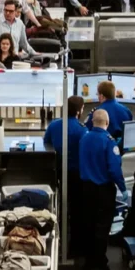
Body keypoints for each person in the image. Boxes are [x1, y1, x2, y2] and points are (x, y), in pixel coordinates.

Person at [80, 109, 124, 270]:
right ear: (107, 123)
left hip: (86, 188)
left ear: (92, 122)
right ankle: (100, 261)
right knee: (103, 226)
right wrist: (123, 187)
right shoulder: (109, 141)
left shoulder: (84, 138)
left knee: (89, 224)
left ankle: (89, 260)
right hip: (104, 190)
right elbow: (114, 169)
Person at [46, 97, 86, 253]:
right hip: (76, 174)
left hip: (57, 171)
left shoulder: (54, 125)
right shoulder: (82, 129)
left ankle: (58, 239)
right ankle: (75, 245)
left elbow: (46, 143)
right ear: (78, 111)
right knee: (77, 210)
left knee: (59, 206)